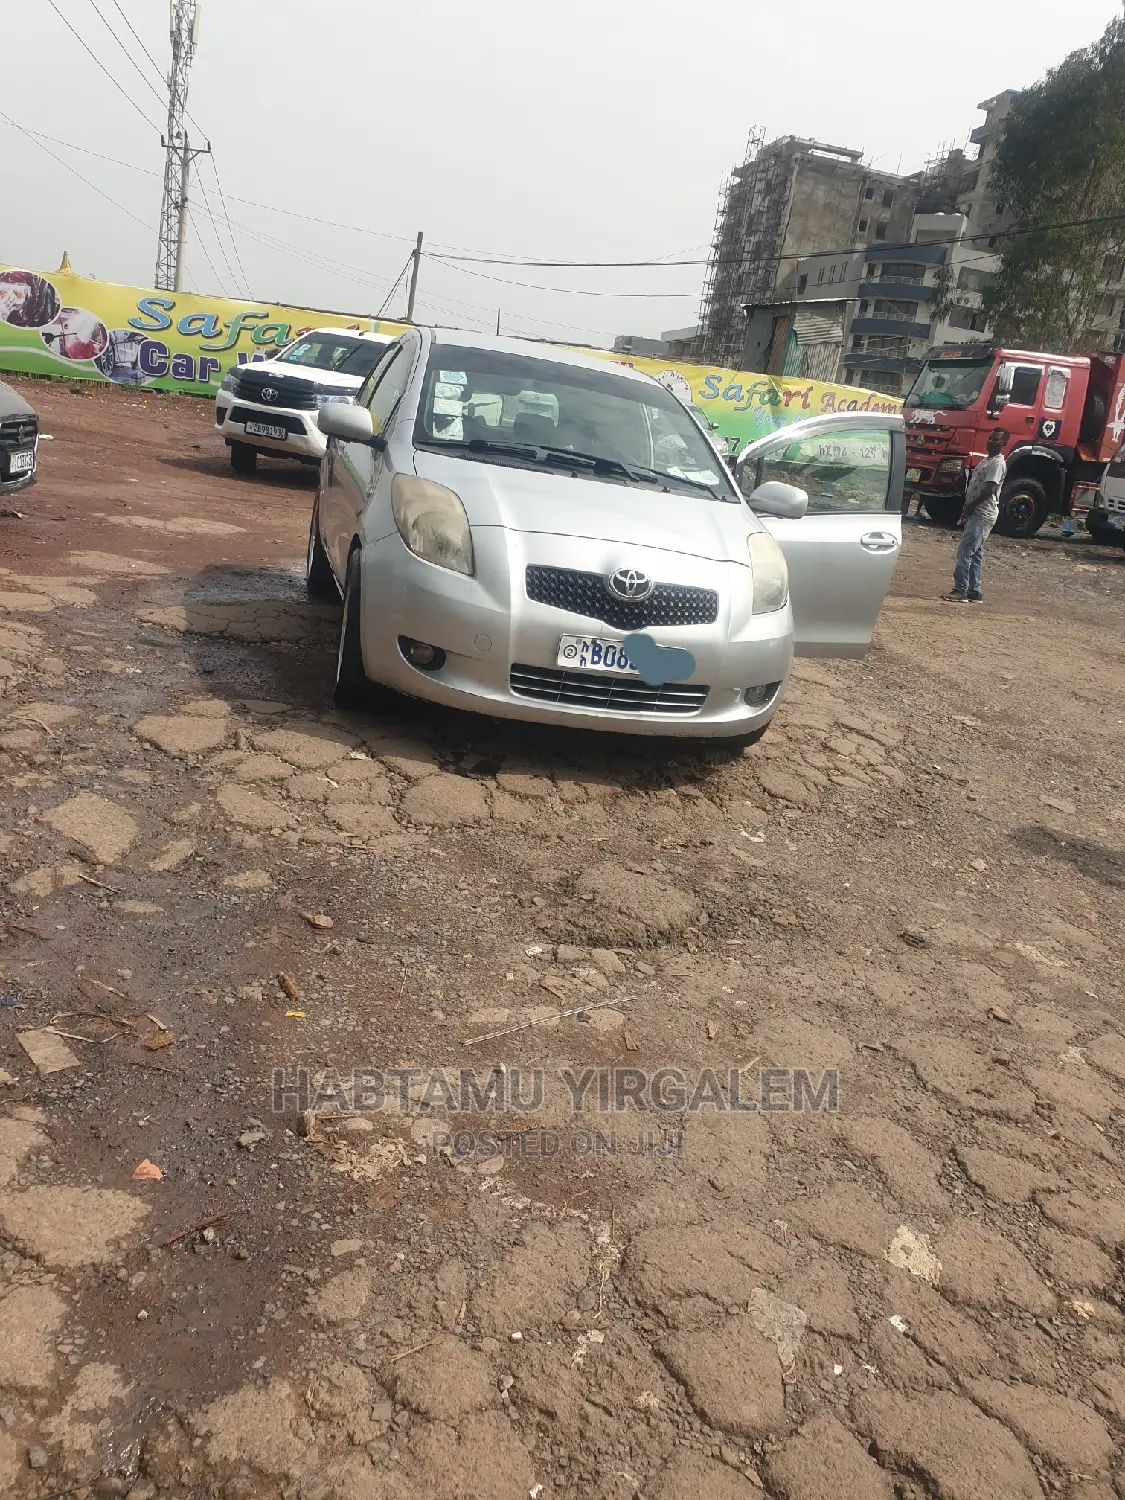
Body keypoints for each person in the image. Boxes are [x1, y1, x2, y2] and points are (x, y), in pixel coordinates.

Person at [942, 427, 1007, 604]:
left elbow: (990, 490)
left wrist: (970, 506)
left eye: (996, 439)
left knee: (965, 551)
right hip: (979, 513)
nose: (991, 441)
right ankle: (974, 591)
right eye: (990, 438)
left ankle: (960, 589)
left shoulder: (996, 464)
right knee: (975, 553)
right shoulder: (988, 460)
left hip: (982, 514)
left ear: (1004, 443)